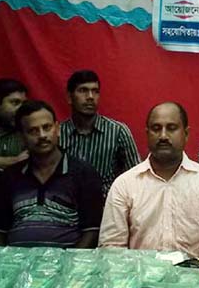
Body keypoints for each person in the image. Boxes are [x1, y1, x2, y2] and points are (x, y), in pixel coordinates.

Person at [99, 102, 199, 257]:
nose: (163, 136)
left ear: (186, 134)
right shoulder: (125, 185)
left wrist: (198, 274)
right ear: (147, 133)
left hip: (197, 277)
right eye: (156, 129)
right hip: (140, 279)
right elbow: (111, 247)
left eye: (171, 128)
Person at [0, 100, 103, 248]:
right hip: (16, 265)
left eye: (47, 127)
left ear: (57, 129)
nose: (42, 135)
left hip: (67, 266)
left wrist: (70, 266)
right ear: (21, 137)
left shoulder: (84, 174)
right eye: (33, 131)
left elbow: (92, 233)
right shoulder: (9, 177)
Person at [59, 70, 140, 198]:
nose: (90, 96)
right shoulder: (58, 134)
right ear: (70, 97)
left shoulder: (118, 131)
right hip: (67, 207)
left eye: (95, 91)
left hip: (106, 206)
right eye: (83, 90)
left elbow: (136, 176)